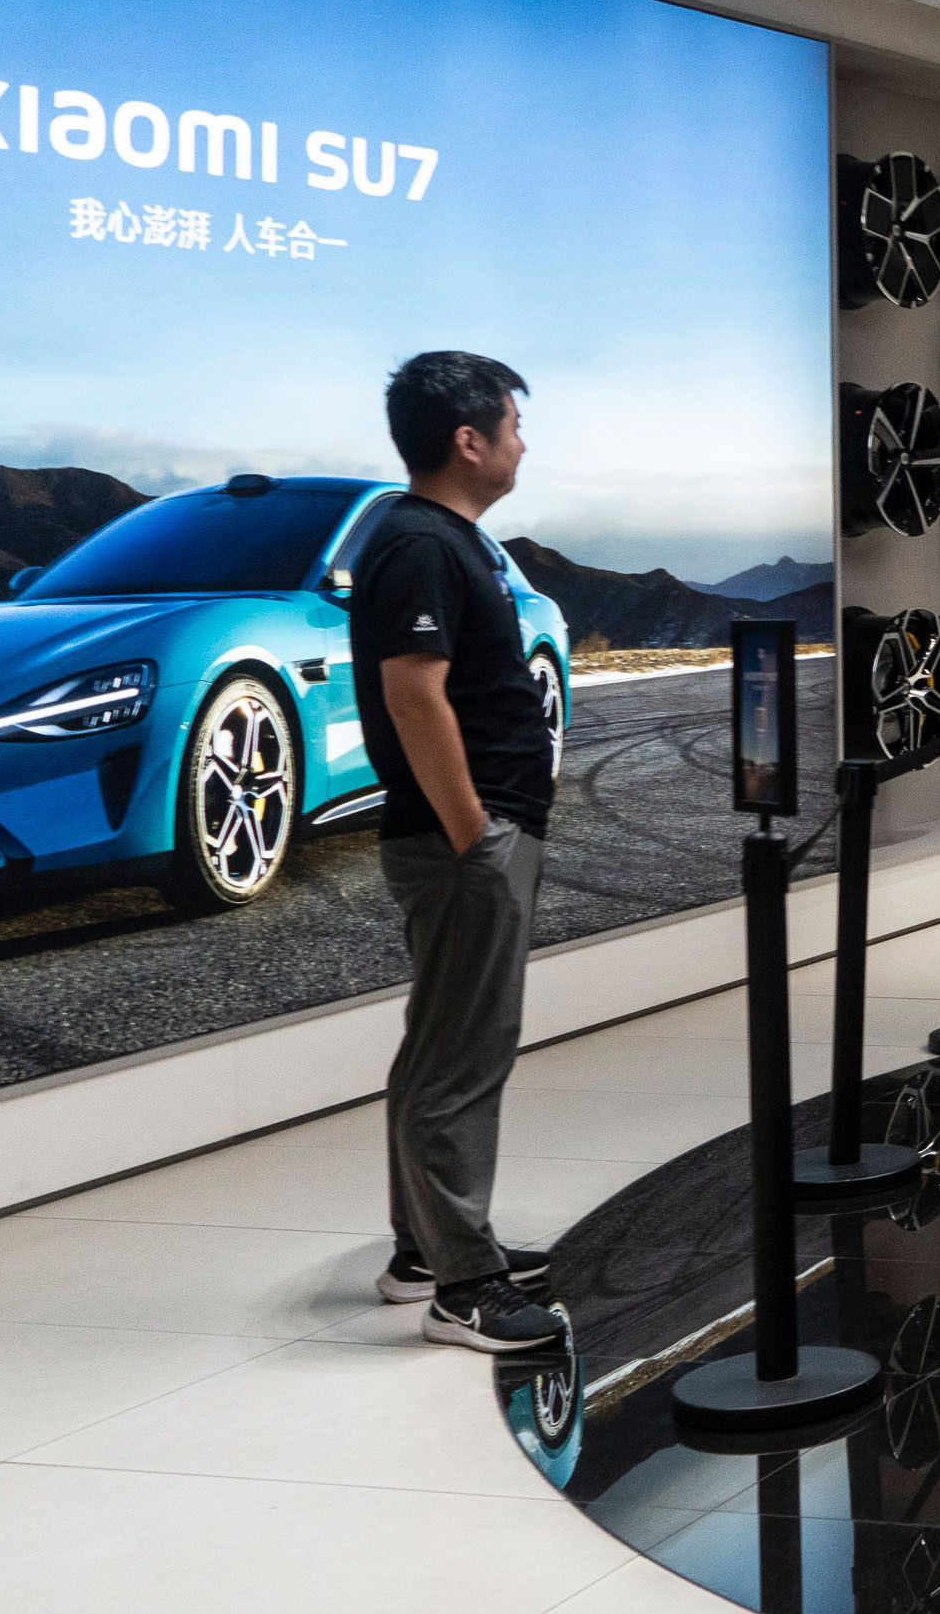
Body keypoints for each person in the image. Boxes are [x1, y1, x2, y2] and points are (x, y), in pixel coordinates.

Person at [351, 351, 567, 1352]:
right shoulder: (419, 544)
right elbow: (413, 694)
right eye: (513, 425)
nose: (524, 442)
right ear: (468, 440)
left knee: (440, 1046)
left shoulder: (439, 538)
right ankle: (465, 1288)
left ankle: (424, 1249)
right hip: (462, 842)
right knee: (462, 1060)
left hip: (467, 835)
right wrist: (473, 830)